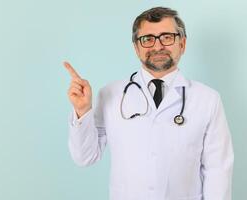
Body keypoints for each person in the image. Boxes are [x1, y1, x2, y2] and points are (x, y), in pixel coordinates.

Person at [64, 7, 234, 200]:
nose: (158, 46)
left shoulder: (208, 99)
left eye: (167, 37)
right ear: (136, 47)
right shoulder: (111, 94)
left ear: (182, 44)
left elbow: (218, 170)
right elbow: (85, 157)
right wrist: (82, 110)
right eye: (148, 39)